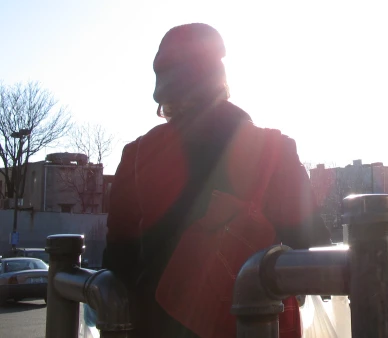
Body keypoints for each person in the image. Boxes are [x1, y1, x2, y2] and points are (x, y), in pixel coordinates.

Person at [103, 23, 330, 338]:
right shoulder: (275, 149)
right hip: (260, 327)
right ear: (222, 84)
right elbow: (313, 250)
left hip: (160, 326)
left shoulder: (138, 157)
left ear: (165, 96)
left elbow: (117, 261)